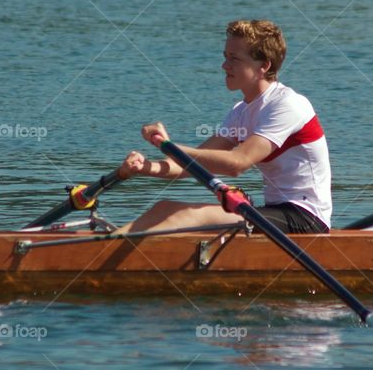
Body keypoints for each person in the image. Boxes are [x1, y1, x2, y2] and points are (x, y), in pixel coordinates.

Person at [117, 19, 332, 234]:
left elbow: (237, 163)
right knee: (164, 207)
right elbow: (193, 163)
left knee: (186, 215)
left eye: (234, 59)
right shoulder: (240, 112)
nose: (224, 66)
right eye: (225, 57)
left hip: (307, 219)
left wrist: (168, 145)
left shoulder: (287, 105)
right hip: (274, 212)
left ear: (264, 65)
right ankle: (104, 244)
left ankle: (99, 254)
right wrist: (146, 167)